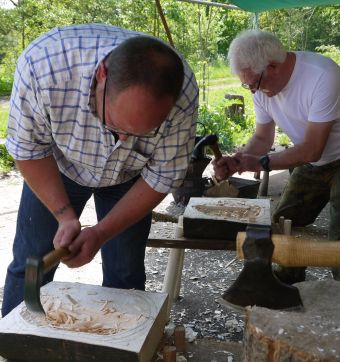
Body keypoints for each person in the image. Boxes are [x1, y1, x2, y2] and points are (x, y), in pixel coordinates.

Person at [2, 23, 199, 317]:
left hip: (130, 176)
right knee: (31, 261)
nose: (122, 140)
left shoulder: (182, 94)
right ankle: (16, 346)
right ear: (101, 75)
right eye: (116, 125)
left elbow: (162, 176)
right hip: (59, 166)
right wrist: (63, 215)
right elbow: (28, 150)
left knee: (125, 272)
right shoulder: (44, 67)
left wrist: (101, 232)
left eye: (142, 132)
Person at [214, 30, 340, 289]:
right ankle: (285, 283)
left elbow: (311, 150)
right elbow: (262, 138)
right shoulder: (260, 84)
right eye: (246, 85)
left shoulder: (323, 76)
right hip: (314, 159)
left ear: (273, 65)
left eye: (254, 84)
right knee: (284, 220)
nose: (252, 91)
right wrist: (241, 159)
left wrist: (262, 163)